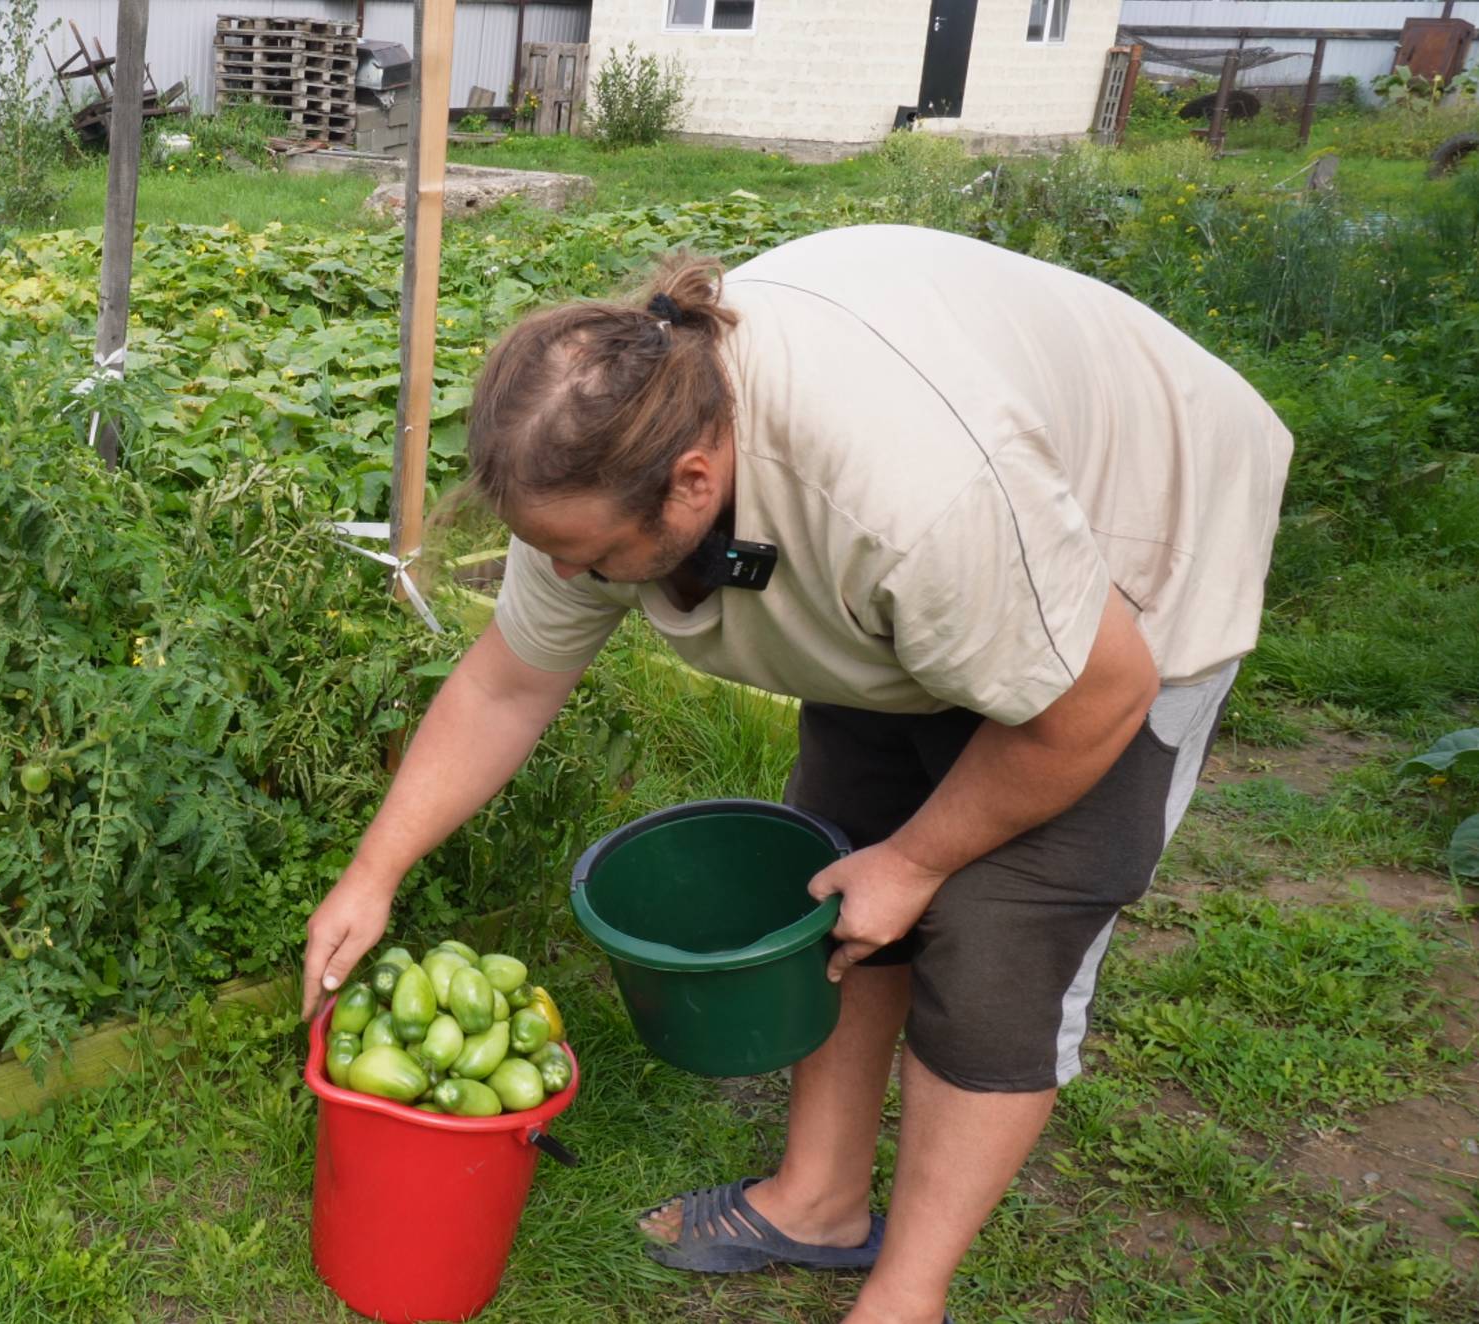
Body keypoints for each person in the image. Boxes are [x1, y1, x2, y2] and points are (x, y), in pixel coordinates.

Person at [297, 225, 1291, 1324]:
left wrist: (918, 859)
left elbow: (1092, 698)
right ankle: (815, 1200)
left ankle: (905, 1296)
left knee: (1003, 931)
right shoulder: (602, 458)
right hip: (933, 569)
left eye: (586, 556)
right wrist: (372, 872)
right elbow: (503, 687)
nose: (566, 576)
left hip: (1128, 546)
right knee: (832, 870)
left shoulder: (904, 498)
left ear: (691, 484)